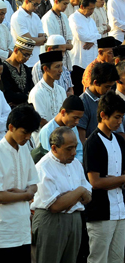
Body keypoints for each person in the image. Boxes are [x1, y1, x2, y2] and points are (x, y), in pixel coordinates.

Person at [0, 104, 41, 263]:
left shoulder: (24, 151)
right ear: (11, 127)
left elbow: (34, 184)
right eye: (24, 132)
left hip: (21, 230)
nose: (28, 137)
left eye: (30, 133)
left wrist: (24, 193)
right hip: (1, 234)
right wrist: (26, 194)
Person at [31, 126, 91, 263]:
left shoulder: (76, 164)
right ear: (54, 148)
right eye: (69, 148)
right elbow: (55, 206)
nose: (74, 152)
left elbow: (88, 197)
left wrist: (70, 196)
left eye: (75, 147)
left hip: (75, 220)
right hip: (51, 221)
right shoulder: (43, 167)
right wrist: (79, 192)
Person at [84, 91, 125, 263]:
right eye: (116, 117)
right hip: (100, 213)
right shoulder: (92, 143)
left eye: (122, 117)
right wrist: (121, 180)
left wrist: (113, 181)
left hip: (120, 210)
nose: (119, 121)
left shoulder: (120, 141)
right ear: (103, 115)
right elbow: (95, 182)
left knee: (117, 258)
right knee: (99, 259)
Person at [78, 62, 120, 143]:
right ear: (96, 83)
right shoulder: (83, 103)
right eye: (107, 86)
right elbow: (81, 139)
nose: (109, 90)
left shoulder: (108, 99)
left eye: (111, 87)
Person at [38, 95, 85, 162]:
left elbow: (79, 151)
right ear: (63, 112)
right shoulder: (47, 130)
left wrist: (76, 165)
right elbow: (50, 157)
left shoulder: (72, 127)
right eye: (75, 118)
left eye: (79, 118)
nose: (77, 122)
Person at [70, 0, 101, 93]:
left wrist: (92, 41)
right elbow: (81, 36)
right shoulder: (74, 18)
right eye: (90, 9)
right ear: (82, 6)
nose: (92, 12)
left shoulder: (91, 20)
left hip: (91, 61)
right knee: (79, 90)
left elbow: (98, 35)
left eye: (93, 9)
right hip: (79, 61)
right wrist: (94, 39)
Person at [28, 50, 68, 128]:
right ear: (46, 69)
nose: (61, 70)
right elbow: (41, 120)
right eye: (57, 67)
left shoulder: (61, 90)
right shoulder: (37, 92)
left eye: (61, 66)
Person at [0, 36, 36, 107]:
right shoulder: (3, 68)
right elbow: (7, 94)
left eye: (29, 55)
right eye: (25, 55)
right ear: (16, 50)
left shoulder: (25, 68)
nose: (27, 58)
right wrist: (26, 97)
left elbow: (32, 90)